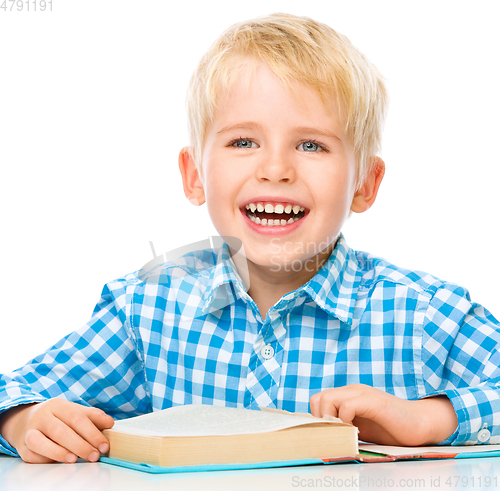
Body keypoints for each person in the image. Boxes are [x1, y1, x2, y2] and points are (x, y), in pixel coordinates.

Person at [1, 12, 499, 465]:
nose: (276, 169)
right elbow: (16, 391)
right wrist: (23, 422)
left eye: (311, 144)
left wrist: (432, 420)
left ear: (364, 184)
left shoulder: (424, 315)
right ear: (194, 175)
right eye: (243, 141)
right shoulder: (147, 308)